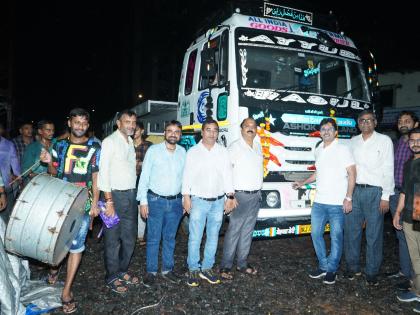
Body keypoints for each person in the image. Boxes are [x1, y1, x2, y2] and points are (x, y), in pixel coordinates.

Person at [40, 108, 101, 314]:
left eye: (84, 123)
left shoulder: (95, 146)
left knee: (77, 244)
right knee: (55, 238)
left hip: (83, 202)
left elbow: (95, 177)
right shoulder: (60, 144)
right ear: (69, 123)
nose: (80, 127)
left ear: (88, 125)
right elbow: (53, 173)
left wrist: (95, 203)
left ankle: (66, 291)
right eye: (76, 123)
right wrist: (48, 162)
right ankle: (54, 268)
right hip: (60, 199)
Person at [292, 118, 356, 284]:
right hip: (319, 202)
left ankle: (332, 269)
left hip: (337, 203)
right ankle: (323, 265)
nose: (326, 131)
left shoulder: (343, 149)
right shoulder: (319, 149)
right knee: (315, 234)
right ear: (320, 132)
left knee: (336, 236)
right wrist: (302, 183)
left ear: (335, 132)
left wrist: (348, 198)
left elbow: (352, 174)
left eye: (329, 129)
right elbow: (317, 173)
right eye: (323, 129)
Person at [182, 118, 237, 287]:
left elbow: (228, 175)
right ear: (202, 132)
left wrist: (230, 197)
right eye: (208, 130)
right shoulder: (193, 152)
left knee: (213, 237)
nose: (212, 133)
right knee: (195, 237)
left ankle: (207, 268)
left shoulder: (223, 152)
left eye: (215, 130)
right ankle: (193, 269)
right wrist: (186, 196)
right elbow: (187, 176)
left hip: (218, 201)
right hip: (198, 201)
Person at [344, 110, 394, 286]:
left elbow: (388, 168)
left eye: (369, 120)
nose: (365, 123)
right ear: (358, 123)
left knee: (374, 234)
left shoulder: (384, 141)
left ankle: (372, 271)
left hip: (375, 193)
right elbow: (347, 170)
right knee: (352, 232)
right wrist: (347, 195)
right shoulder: (352, 142)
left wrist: (386, 196)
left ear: (375, 122)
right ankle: (353, 267)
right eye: (362, 120)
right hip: (355, 191)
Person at [137, 120, 186, 286]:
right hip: (155, 201)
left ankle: (167, 270)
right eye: (170, 131)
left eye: (176, 131)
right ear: (165, 133)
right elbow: (144, 176)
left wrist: (186, 198)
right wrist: (143, 201)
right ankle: (151, 271)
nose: (173, 134)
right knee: (153, 238)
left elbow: (185, 179)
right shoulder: (153, 151)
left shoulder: (183, 152)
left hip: (176, 202)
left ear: (180, 135)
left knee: (170, 238)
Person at [97, 109, 139, 293]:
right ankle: (112, 275)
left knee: (129, 238)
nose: (131, 125)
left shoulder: (130, 142)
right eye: (127, 121)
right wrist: (109, 202)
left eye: (133, 122)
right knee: (113, 240)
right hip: (113, 196)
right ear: (118, 123)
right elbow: (103, 173)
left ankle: (122, 270)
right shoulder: (109, 142)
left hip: (130, 195)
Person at [219, 118, 263, 280]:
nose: (250, 129)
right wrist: (230, 195)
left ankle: (242, 264)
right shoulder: (234, 148)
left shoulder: (257, 147)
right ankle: (225, 266)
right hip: (239, 196)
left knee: (247, 232)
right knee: (234, 231)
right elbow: (225, 172)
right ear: (241, 129)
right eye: (247, 126)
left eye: (253, 126)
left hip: (255, 195)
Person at [388, 111, 418, 286]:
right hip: (396, 194)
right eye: (400, 121)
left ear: (415, 124)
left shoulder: (417, 144)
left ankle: (415, 277)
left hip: (415, 197)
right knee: (401, 233)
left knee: (416, 236)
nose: (403, 123)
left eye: (407, 120)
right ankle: (405, 272)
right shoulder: (397, 143)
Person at [393, 128, 420, 312]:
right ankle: (417, 290)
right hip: (410, 215)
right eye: (412, 141)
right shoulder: (409, 163)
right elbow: (404, 190)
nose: (415, 143)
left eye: (419, 140)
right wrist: (398, 212)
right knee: (415, 257)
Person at [134, 120, 152, 246]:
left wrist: (140, 164)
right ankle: (131, 235)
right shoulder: (127, 144)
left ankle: (141, 236)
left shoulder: (149, 145)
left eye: (136, 129)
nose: (134, 131)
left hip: (143, 179)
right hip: (129, 180)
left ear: (142, 131)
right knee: (130, 208)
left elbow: (151, 164)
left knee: (142, 206)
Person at [0, 122, 21, 224]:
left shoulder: (8, 145)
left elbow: (14, 161)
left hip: (6, 185)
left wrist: (17, 176)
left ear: (2, 130)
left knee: (7, 214)